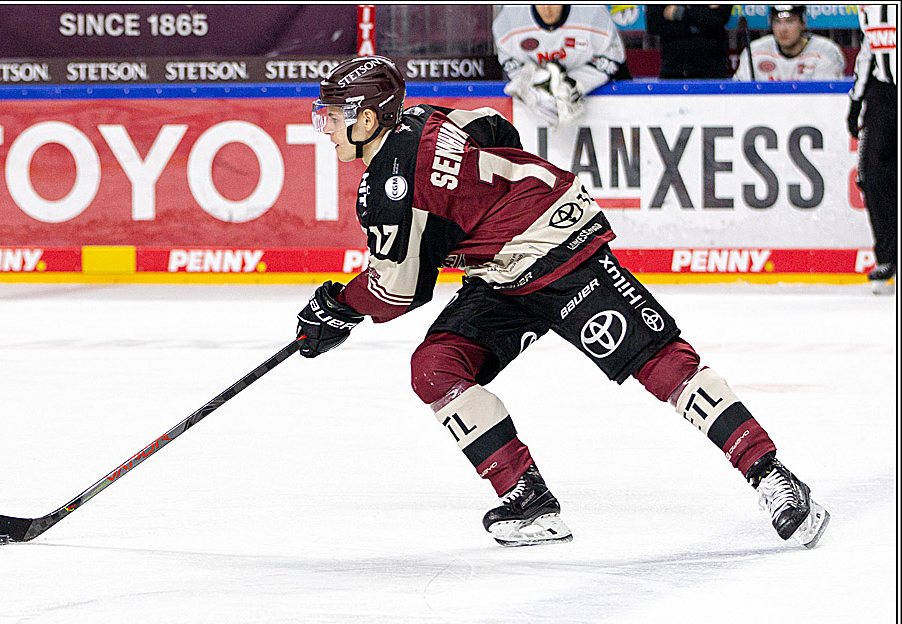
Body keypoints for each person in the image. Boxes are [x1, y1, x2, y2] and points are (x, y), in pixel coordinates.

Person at [297, 55, 830, 549]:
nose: (327, 128)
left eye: (335, 115)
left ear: (368, 120)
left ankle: (772, 475)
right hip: (505, 269)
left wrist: (337, 305)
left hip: (557, 255)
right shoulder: (424, 119)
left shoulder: (388, 184)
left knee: (658, 361)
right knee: (435, 367)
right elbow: (493, 127)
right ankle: (527, 498)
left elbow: (398, 290)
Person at [492, 5, 631, 128]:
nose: (547, 8)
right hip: (538, 115)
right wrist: (538, 82)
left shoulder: (594, 13)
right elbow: (512, 63)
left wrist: (574, 84)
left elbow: (612, 59)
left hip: (598, 98)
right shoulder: (507, 21)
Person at [848, 4, 897, 294]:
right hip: (882, 92)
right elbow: (870, 46)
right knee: (872, 176)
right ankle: (889, 256)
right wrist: (856, 100)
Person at [733, 5, 845, 81]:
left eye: (790, 21)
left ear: (803, 24)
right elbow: (738, 95)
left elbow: (827, 99)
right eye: (777, 22)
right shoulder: (754, 52)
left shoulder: (825, 51)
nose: (783, 29)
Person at [646, 4, 734, 79]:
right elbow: (654, 24)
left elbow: (718, 18)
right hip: (673, 71)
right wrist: (697, 26)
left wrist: (678, 12)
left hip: (712, 70)